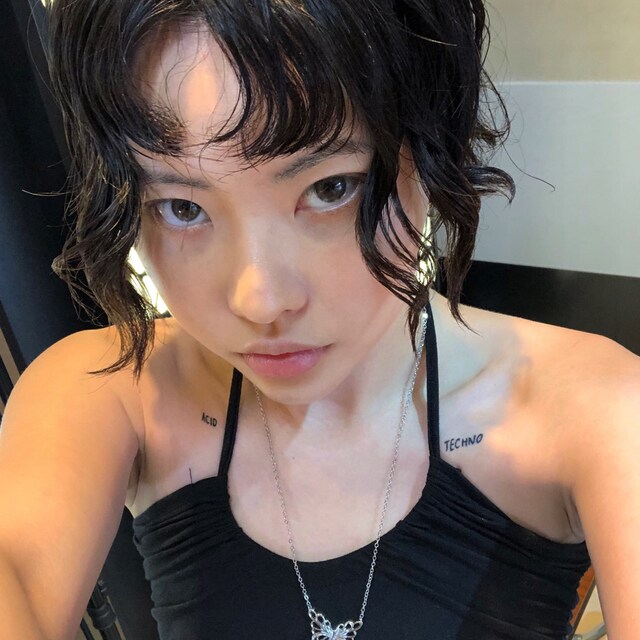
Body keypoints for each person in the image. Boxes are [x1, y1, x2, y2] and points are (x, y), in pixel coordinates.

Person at [1, 0, 639, 638]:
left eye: (331, 188)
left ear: (431, 146)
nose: (260, 300)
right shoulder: (115, 389)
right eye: (180, 207)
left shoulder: (595, 408)